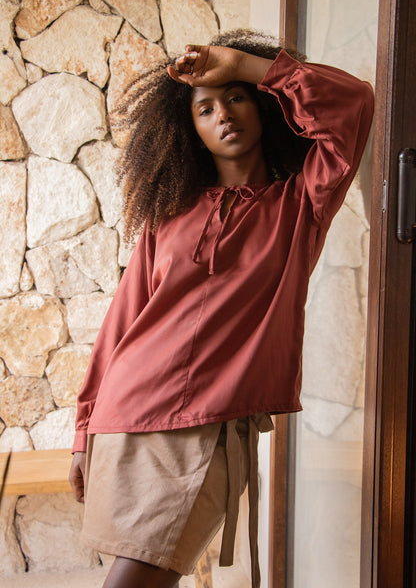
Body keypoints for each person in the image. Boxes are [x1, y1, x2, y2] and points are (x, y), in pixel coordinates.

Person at [69, 30, 374, 588]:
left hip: (210, 423)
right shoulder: (169, 217)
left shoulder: (299, 205)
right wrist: (86, 427)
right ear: (192, 133)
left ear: (263, 108)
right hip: (129, 414)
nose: (224, 115)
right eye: (205, 109)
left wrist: (239, 63)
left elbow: (353, 104)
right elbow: (122, 323)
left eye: (236, 97)